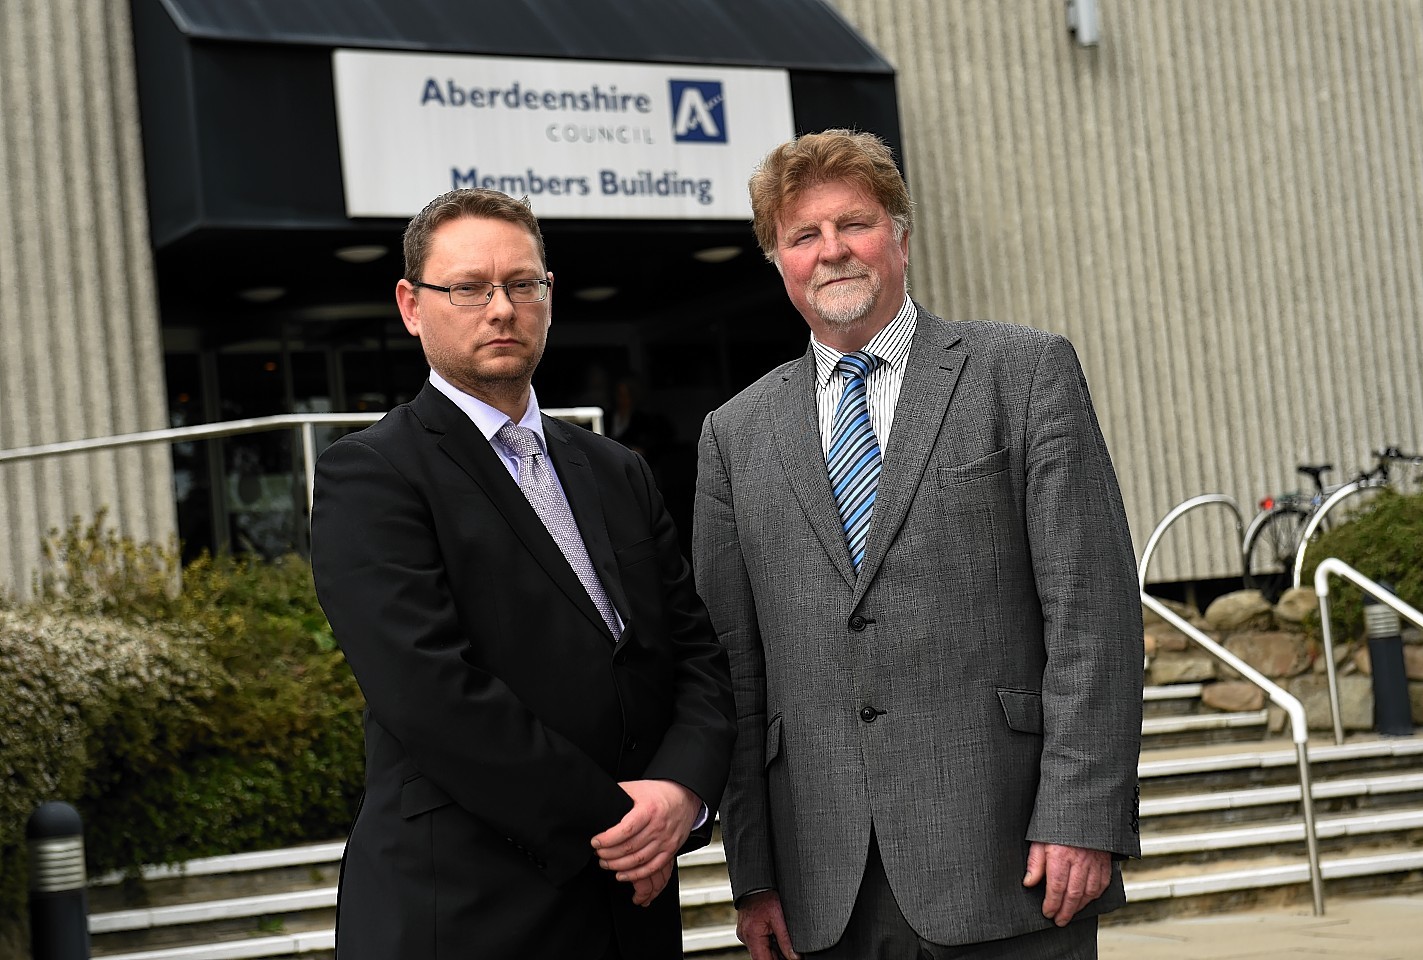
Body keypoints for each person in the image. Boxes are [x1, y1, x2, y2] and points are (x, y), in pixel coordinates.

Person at [692, 130, 1143, 959]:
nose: (832, 252)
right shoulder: (734, 434)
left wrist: (1082, 815)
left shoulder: (1025, 372)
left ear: (900, 234)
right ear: (778, 262)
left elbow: (1093, 614)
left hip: (1013, 863)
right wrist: (751, 872)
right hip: (822, 892)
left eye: (854, 224)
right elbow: (735, 670)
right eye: (803, 236)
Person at [311, 188, 735, 960]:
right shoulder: (370, 476)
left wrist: (682, 792)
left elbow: (696, 655)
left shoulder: (617, 471)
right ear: (412, 306)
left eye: (523, 284)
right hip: (470, 911)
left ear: (548, 296)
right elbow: (434, 696)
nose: (500, 308)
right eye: (469, 287)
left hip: (630, 912)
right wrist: (614, 822)